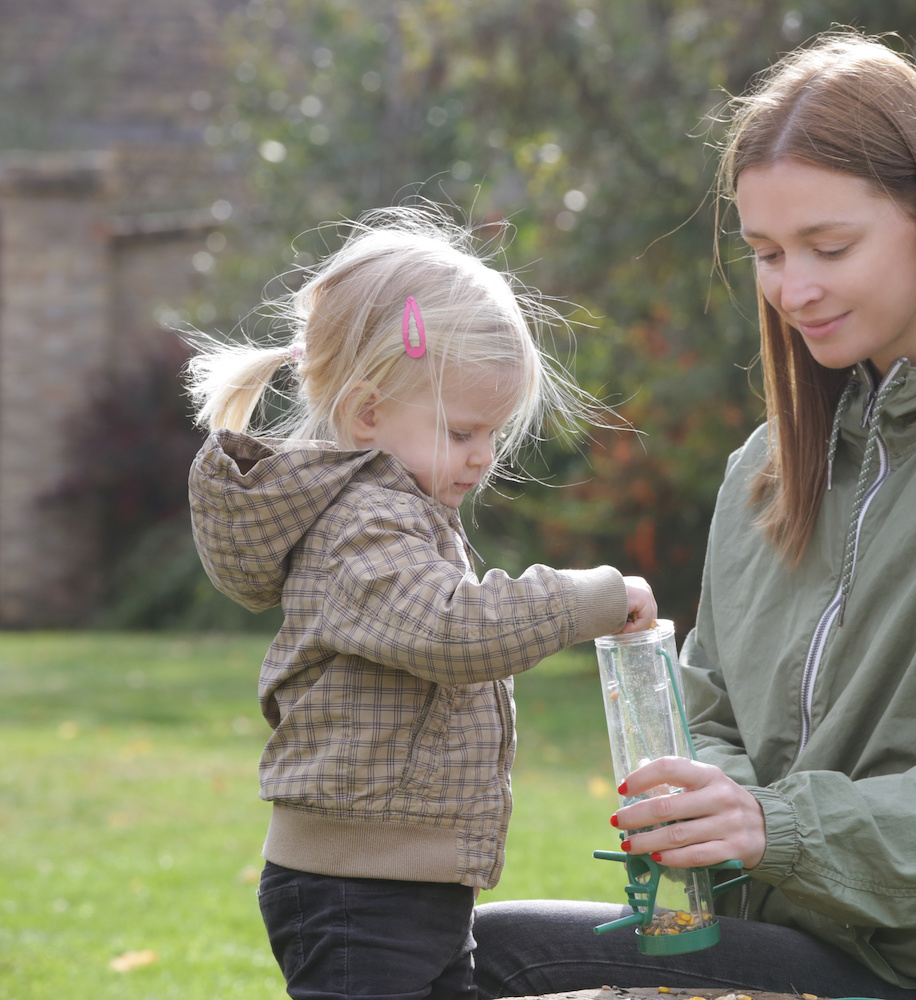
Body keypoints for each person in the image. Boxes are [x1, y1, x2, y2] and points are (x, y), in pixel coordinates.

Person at [474, 31, 916, 1000]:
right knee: (445, 946)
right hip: (763, 949)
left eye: (828, 246)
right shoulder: (769, 464)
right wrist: (706, 799)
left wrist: (778, 828)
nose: (791, 288)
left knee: (499, 960)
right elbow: (710, 706)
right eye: (766, 253)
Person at [184, 207, 657, 1000]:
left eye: (494, 436)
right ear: (370, 413)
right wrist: (591, 598)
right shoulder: (362, 526)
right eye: (465, 431)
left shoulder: (400, 511)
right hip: (357, 891)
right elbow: (451, 628)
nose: (483, 457)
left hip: (404, 878)